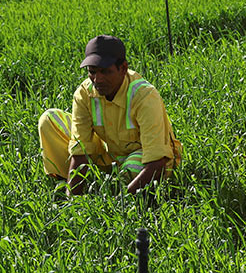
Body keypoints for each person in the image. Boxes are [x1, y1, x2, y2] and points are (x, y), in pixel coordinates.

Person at [38, 35, 180, 195]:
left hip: (146, 159)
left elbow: (157, 161)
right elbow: (80, 150)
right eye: (92, 72)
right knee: (49, 120)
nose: (97, 79)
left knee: (132, 168)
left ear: (123, 68)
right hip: (109, 155)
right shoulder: (85, 93)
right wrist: (73, 200)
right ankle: (67, 183)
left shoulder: (144, 96)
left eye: (106, 72)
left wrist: (120, 202)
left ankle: (121, 188)